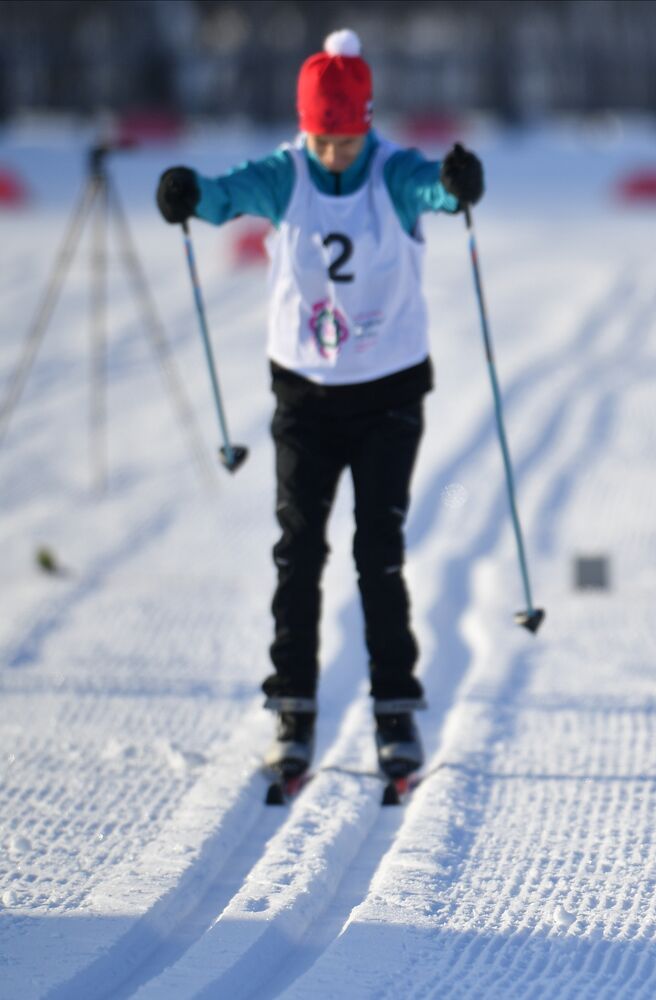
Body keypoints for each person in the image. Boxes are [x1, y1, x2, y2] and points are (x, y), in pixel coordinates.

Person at [154, 29, 486, 781]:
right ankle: (293, 707)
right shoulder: (286, 172)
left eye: (344, 140)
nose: (331, 153)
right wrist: (188, 193)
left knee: (379, 554)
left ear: (366, 124)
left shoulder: (392, 173)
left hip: (389, 395)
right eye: (320, 139)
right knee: (298, 552)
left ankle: (395, 710)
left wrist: (459, 182)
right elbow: (222, 195)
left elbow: (437, 187)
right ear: (304, 128)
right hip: (304, 395)